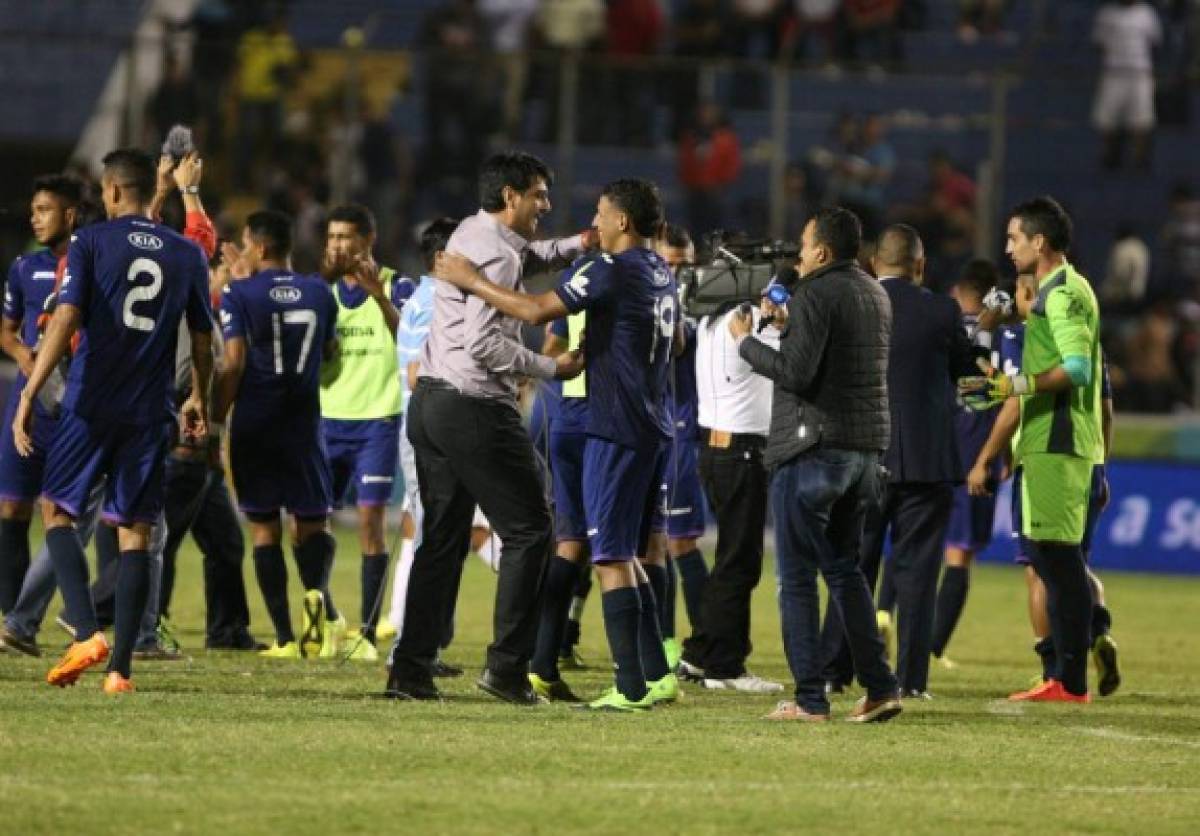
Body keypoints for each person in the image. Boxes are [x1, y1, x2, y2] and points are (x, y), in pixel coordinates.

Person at [433, 178, 681, 712]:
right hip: (654, 424)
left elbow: (537, 311)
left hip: (615, 425)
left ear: (622, 222)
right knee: (630, 554)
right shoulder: (662, 269)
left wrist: (470, 280)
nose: (595, 221)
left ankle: (630, 687)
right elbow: (675, 339)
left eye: (600, 212)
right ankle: (652, 676)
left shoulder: (610, 269)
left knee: (609, 557)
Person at [384, 151, 587, 704]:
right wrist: (550, 367)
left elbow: (534, 252)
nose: (546, 204)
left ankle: (411, 668)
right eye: (539, 195)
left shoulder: (476, 233)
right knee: (531, 530)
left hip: (430, 402)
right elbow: (483, 341)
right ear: (511, 197)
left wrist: (579, 244)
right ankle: (506, 669)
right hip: (473, 406)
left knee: (442, 539)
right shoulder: (496, 256)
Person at [12, 148, 214, 694]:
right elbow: (201, 337)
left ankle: (84, 631)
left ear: (116, 192)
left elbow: (69, 315)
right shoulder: (185, 254)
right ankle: (120, 670)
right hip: (151, 410)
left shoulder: (91, 241)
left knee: (56, 511)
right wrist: (200, 397)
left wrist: (30, 389)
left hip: (92, 400)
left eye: (103, 191)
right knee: (137, 534)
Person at [732, 207, 901, 722]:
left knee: (798, 579)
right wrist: (788, 325)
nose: (798, 255)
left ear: (822, 251)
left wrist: (747, 342)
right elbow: (833, 359)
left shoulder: (813, 292)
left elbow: (798, 374)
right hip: (864, 454)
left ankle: (809, 699)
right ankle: (880, 686)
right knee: (846, 572)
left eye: (803, 247)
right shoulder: (874, 292)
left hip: (811, 451)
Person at [820, 224, 979, 700]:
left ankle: (834, 671)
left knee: (852, 567)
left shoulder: (852, 304)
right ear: (920, 265)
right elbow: (968, 377)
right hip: (928, 463)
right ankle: (910, 681)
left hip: (863, 456)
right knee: (917, 576)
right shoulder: (943, 310)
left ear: (872, 264)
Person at [960, 196, 1106, 703]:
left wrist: (1013, 387)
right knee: (1050, 558)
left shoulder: (1060, 296)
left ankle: (1070, 680)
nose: (1007, 248)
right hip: (1053, 442)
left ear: (1038, 242)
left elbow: (1079, 370)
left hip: (1056, 440)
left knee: (1058, 561)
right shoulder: (1063, 289)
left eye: (1013, 238)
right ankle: (1065, 676)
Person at [212, 210, 340, 661]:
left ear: (260, 246)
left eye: (246, 243)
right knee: (311, 524)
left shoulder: (240, 294)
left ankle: (285, 637)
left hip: (256, 423)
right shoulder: (320, 293)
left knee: (264, 531)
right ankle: (317, 600)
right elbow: (330, 352)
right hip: (304, 422)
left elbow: (233, 362)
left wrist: (215, 419)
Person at [678, 239, 785, 695]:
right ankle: (725, 666)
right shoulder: (744, 322)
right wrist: (779, 319)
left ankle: (702, 653)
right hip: (740, 453)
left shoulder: (709, 321)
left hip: (718, 451)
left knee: (731, 559)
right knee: (739, 562)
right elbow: (786, 363)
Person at [319, 204, 413, 661]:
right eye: (331, 237)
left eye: (345, 237)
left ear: (367, 241)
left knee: (371, 524)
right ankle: (325, 620)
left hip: (377, 420)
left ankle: (368, 631)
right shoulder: (322, 293)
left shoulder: (398, 286)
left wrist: (380, 297)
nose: (337, 244)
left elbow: (413, 342)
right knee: (309, 526)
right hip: (326, 421)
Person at [384, 216, 465, 677]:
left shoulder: (426, 298)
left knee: (439, 537)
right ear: (441, 258)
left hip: (431, 430)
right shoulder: (434, 300)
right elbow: (418, 373)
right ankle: (407, 646)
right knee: (432, 538)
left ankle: (423, 645)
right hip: (431, 432)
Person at [0, 175, 82, 613]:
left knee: (59, 512)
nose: (34, 219)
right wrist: (24, 355)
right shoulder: (24, 268)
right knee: (12, 508)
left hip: (71, 401)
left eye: (44, 210)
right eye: (33, 211)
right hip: (27, 398)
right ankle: (9, 615)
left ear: (69, 215)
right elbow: (7, 331)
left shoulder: (89, 260)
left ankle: (73, 615)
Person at [928, 259, 1004, 667]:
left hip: (934, 453)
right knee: (959, 556)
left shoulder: (944, 333)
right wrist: (998, 455)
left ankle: (886, 614)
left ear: (960, 293)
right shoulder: (1000, 337)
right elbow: (994, 399)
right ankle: (932, 647)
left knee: (916, 548)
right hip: (974, 457)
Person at [655, 225, 710, 670]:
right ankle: (666, 643)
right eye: (669, 263)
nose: (676, 273)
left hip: (680, 432)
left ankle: (704, 644)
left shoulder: (699, 311)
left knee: (680, 543)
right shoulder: (651, 298)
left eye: (684, 265)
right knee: (651, 543)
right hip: (650, 431)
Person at [1092, 0, 1162, 170]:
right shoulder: (1106, 13)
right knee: (1107, 120)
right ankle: (1110, 158)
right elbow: (1099, 43)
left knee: (1142, 120)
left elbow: (1155, 43)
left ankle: (1139, 161)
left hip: (1139, 73)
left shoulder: (1147, 13)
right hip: (1114, 72)